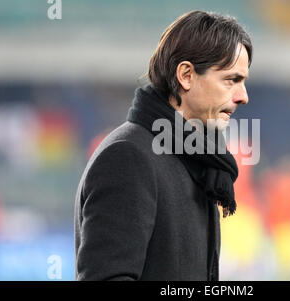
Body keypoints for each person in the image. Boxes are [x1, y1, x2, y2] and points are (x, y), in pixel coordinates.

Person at [74, 10, 252, 281]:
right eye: (231, 80)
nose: (243, 97)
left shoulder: (201, 163)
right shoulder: (128, 156)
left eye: (243, 82)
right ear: (186, 75)